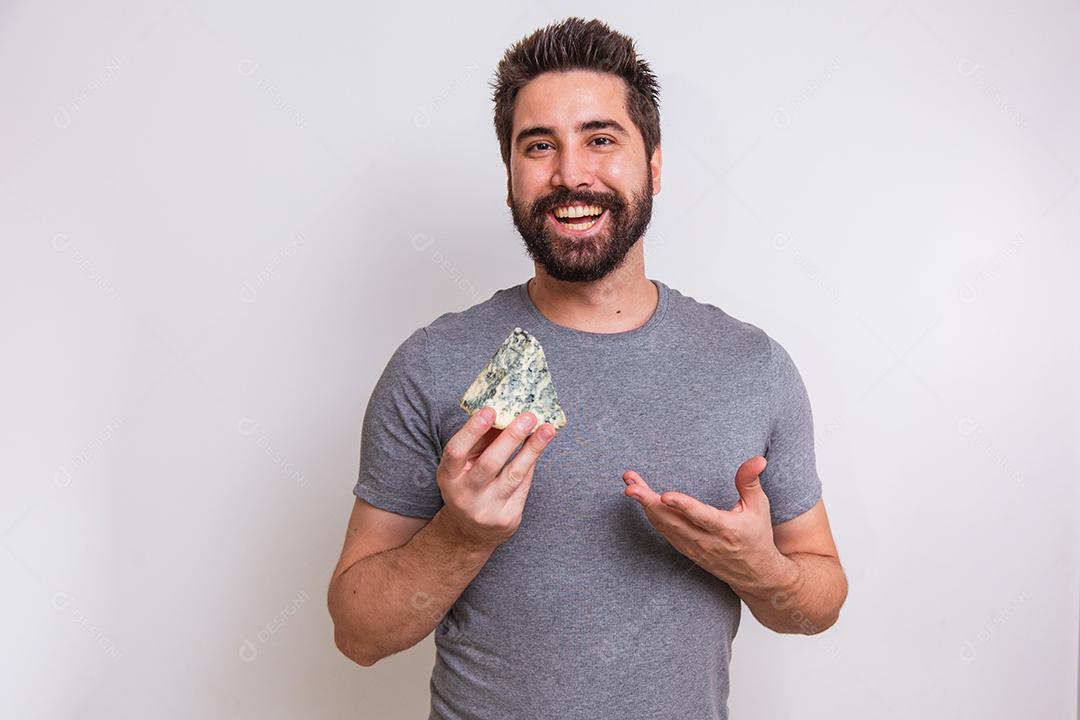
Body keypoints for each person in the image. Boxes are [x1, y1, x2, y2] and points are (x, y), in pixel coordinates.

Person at [328, 16, 847, 720]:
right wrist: (462, 533)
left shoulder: (753, 368)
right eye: (539, 146)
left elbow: (818, 605)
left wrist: (760, 569)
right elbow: (359, 635)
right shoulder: (432, 364)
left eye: (601, 139)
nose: (571, 174)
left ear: (653, 163)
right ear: (510, 173)